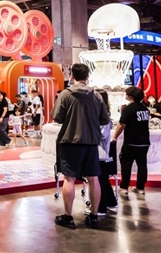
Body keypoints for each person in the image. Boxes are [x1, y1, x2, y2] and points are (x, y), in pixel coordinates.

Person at [52, 63, 110, 230]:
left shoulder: (65, 94)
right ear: (87, 76)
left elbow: (57, 117)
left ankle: (68, 217)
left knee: (69, 178)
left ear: (72, 76)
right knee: (93, 178)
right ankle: (94, 217)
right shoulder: (97, 95)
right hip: (91, 142)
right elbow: (105, 119)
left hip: (70, 141)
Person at [112, 86, 150, 196]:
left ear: (131, 97)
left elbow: (121, 125)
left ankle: (124, 187)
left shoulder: (128, 109)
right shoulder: (145, 109)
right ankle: (140, 187)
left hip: (131, 141)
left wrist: (115, 137)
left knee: (126, 164)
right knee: (142, 165)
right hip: (144, 141)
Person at [90, 90, 116, 217]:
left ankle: (101, 207)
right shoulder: (100, 113)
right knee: (103, 178)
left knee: (100, 179)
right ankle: (111, 201)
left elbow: (102, 135)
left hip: (100, 152)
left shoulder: (103, 116)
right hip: (99, 151)